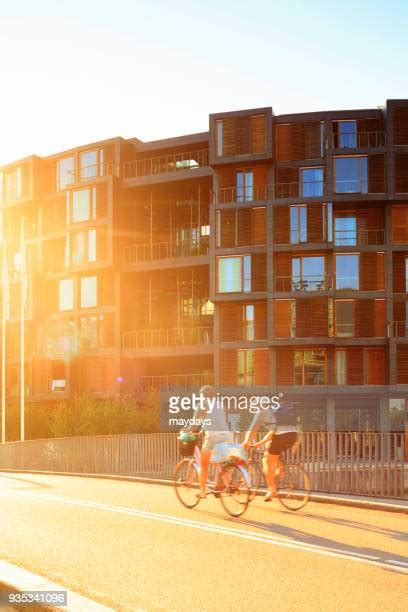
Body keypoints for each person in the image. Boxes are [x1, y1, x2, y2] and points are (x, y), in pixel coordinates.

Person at [243, 403, 297, 501]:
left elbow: (252, 430)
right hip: (293, 435)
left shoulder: (260, 413)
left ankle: (272, 489)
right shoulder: (274, 412)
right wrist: (259, 444)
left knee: (266, 460)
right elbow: (272, 434)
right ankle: (280, 470)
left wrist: (246, 442)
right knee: (270, 447)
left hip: (280, 436)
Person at [196, 384, 233, 498]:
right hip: (227, 435)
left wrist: (187, 430)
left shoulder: (202, 404)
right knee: (220, 461)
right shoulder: (220, 404)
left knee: (203, 464)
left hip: (213, 436)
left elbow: (195, 422)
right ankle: (228, 485)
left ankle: (202, 492)